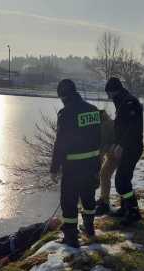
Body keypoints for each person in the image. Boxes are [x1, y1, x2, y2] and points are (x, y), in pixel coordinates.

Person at [50, 79, 101, 247]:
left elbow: (60, 143)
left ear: (63, 96)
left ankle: (71, 238)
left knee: (69, 203)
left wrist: (54, 168)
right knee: (88, 199)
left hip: (73, 168)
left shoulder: (65, 114)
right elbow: (99, 139)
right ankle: (89, 229)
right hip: (93, 165)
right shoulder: (93, 111)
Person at [105, 77, 144, 226]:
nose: (109, 97)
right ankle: (125, 208)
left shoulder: (129, 102)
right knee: (124, 178)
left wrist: (121, 145)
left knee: (121, 181)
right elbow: (120, 127)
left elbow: (132, 128)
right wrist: (116, 143)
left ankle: (133, 212)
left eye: (109, 93)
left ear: (114, 90)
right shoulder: (122, 102)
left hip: (132, 148)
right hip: (125, 147)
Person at [95, 110, 118, 216]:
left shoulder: (104, 126)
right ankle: (104, 199)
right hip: (113, 154)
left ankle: (105, 203)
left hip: (117, 154)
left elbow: (102, 147)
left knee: (105, 175)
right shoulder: (109, 123)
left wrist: (97, 164)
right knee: (104, 175)